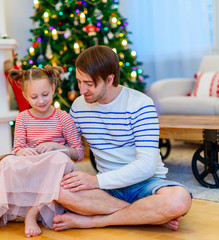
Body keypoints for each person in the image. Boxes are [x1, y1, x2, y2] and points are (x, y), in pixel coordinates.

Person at [52, 45, 193, 231]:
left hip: (146, 184)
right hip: (109, 190)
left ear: (109, 79)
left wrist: (95, 182)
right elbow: (73, 149)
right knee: (58, 191)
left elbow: (146, 165)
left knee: (178, 199)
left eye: (89, 83)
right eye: (79, 82)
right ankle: (148, 216)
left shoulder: (140, 104)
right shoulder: (79, 106)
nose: (82, 89)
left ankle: (96, 221)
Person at [0, 65, 85, 237]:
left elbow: (78, 153)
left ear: (53, 88)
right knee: (7, 162)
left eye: (45, 95)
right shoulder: (23, 117)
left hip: (52, 167)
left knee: (60, 160)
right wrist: (21, 152)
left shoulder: (63, 118)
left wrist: (57, 147)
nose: (41, 101)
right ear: (24, 95)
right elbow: (17, 148)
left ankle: (32, 213)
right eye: (34, 97)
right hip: (31, 166)